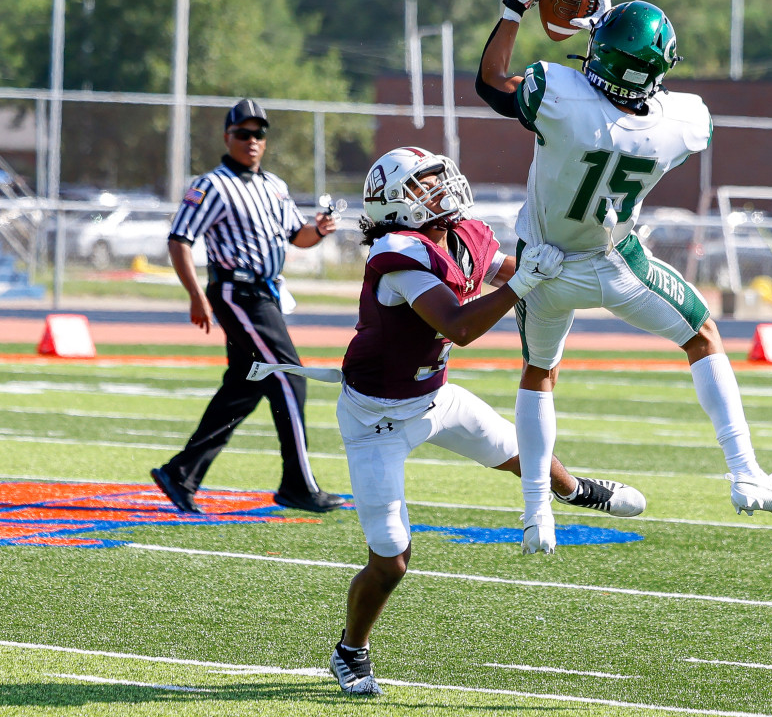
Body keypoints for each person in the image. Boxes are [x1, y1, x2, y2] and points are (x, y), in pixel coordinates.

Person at [476, 0, 772, 554]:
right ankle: (744, 472)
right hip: (618, 264)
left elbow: (491, 83)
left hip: (546, 270)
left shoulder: (556, 93)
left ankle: (537, 511)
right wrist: (605, 35)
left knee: (540, 373)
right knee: (703, 336)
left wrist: (517, 4)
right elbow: (627, 96)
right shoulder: (683, 123)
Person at [328, 146, 646, 695]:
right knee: (391, 561)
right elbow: (458, 326)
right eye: (424, 185)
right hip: (375, 419)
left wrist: (581, 272)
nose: (440, 188)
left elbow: (513, 271)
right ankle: (350, 651)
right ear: (395, 202)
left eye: (438, 178)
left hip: (435, 396)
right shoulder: (397, 254)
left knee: (531, 458)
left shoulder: (465, 232)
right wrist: (520, 285)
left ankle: (572, 491)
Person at [151, 98, 345, 515]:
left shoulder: (274, 185)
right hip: (238, 294)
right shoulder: (212, 185)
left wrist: (321, 229)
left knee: (244, 386)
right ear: (228, 137)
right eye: (243, 133)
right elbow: (179, 238)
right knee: (290, 378)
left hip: (265, 293)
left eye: (259, 134)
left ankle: (180, 473)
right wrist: (196, 295)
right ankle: (297, 484)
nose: (252, 141)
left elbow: (298, 236)